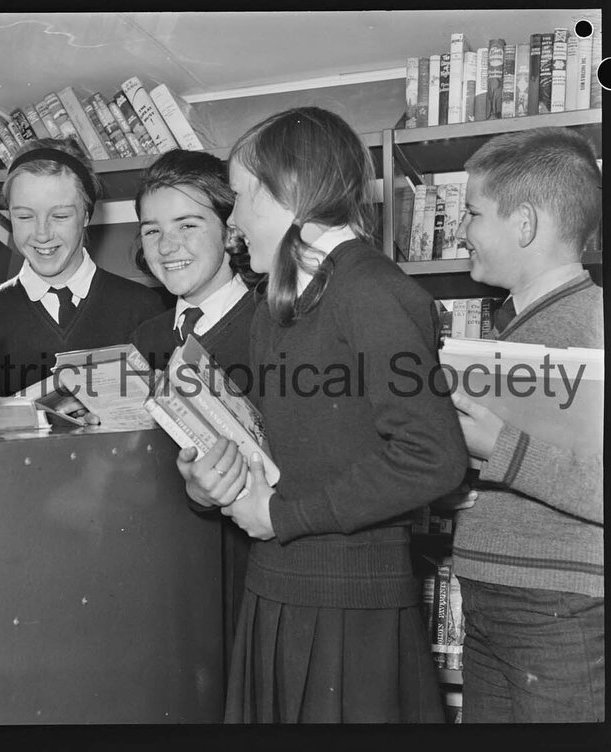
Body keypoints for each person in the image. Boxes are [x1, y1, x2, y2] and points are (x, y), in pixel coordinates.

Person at [178, 107, 467, 723]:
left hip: (346, 604)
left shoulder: (371, 292)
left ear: (289, 193)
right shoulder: (274, 306)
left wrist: (281, 515)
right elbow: (274, 446)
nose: (231, 221)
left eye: (238, 198)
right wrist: (211, 479)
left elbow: (434, 459)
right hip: (278, 587)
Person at [449, 127, 603, 723]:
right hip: (494, 598)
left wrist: (499, 448)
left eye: (472, 213)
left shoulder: (592, 325)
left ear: (525, 225)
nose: (462, 231)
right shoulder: (515, 334)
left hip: (556, 612)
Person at [129, 149, 261, 662]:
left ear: (231, 232)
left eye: (188, 224)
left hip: (247, 579)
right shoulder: (144, 339)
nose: (168, 246)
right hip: (169, 580)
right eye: (151, 230)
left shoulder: (271, 327)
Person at [0, 137, 165, 396]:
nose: (42, 234)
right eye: (24, 217)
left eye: (60, 216)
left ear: (86, 215)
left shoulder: (144, 308)